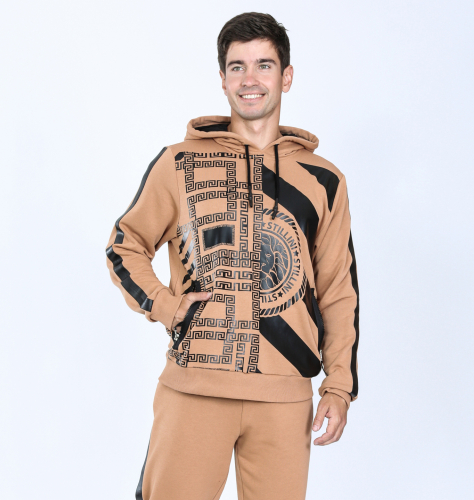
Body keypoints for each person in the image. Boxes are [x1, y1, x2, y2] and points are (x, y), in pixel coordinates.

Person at [105, 11, 359, 500]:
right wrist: (166, 305)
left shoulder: (325, 180)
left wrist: (339, 386)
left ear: (286, 76)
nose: (250, 79)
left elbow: (338, 289)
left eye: (264, 65)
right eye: (237, 66)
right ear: (222, 79)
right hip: (194, 388)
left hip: (285, 398)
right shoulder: (178, 162)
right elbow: (125, 244)